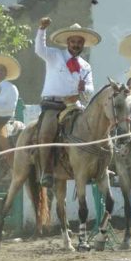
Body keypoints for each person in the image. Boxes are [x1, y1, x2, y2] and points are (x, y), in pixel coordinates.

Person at [34, 17, 100, 187]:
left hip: (75, 107)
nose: (76, 44)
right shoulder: (55, 55)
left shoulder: (86, 66)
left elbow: (90, 89)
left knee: (94, 130)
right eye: (73, 41)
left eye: (79, 42)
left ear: (83, 44)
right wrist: (42, 29)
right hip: (53, 105)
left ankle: (95, 168)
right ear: (67, 42)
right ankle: (46, 172)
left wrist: (81, 92)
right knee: (46, 133)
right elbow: (39, 50)